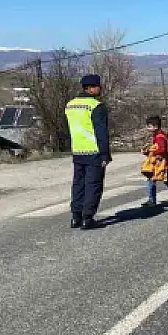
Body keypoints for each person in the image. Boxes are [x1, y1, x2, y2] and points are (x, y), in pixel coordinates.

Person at [65, 74, 111, 230]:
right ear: (91, 88)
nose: (100, 88)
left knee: (78, 184)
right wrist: (105, 154)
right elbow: (101, 132)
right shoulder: (96, 106)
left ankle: (75, 216)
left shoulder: (70, 105)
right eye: (98, 86)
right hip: (94, 151)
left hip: (77, 150)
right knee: (93, 185)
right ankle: (88, 218)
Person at [140, 116, 168, 208]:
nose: (148, 128)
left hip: (159, 163)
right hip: (157, 163)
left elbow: (161, 149)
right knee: (151, 180)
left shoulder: (159, 137)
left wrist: (150, 151)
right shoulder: (158, 136)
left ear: (156, 126)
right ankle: (151, 199)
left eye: (149, 126)